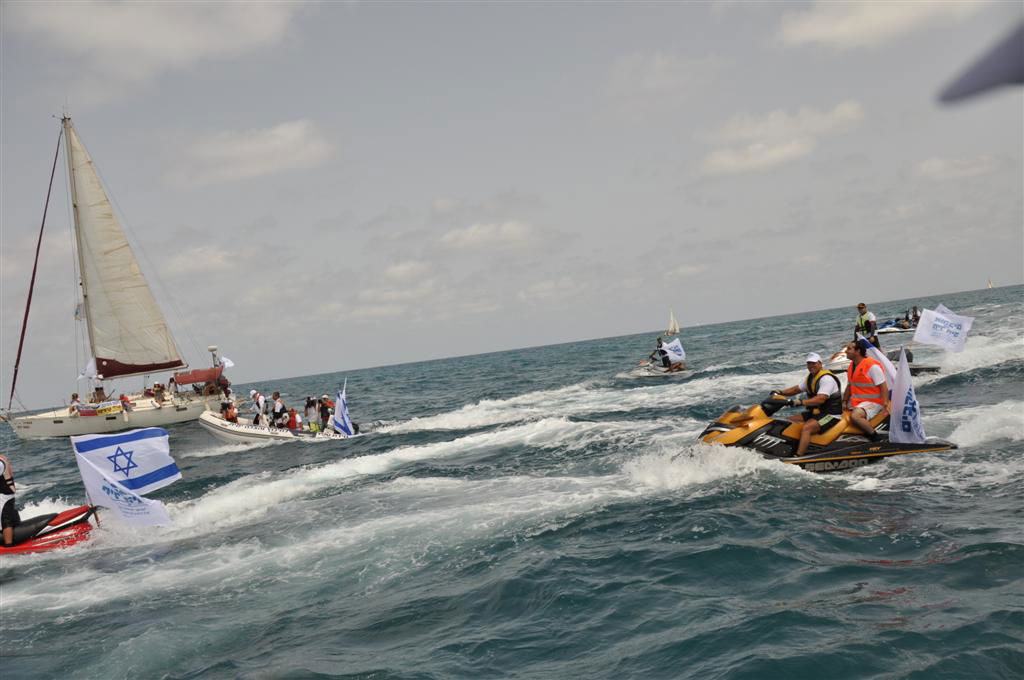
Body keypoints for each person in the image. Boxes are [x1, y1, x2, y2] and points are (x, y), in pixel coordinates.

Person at [773, 352, 844, 456]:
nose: (811, 366)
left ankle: (798, 456)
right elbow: (796, 389)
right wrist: (780, 392)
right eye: (809, 364)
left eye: (814, 363)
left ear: (820, 363)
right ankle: (791, 447)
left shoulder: (826, 379)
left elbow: (820, 399)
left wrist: (800, 402)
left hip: (831, 415)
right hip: (817, 413)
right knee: (789, 421)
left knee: (807, 428)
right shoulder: (811, 378)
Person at [842, 341, 890, 440]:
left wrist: (885, 404)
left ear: (858, 351)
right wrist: (844, 401)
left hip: (874, 403)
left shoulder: (872, 366)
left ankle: (875, 437)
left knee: (855, 416)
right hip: (858, 402)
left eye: (849, 348)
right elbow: (849, 385)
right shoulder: (852, 366)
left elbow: (883, 386)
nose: (846, 351)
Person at [0, 454, 20, 547]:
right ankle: (20, 536)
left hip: (4, 495)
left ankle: (9, 545)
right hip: (7, 493)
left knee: (5, 519)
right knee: (11, 514)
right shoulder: (2, 457)